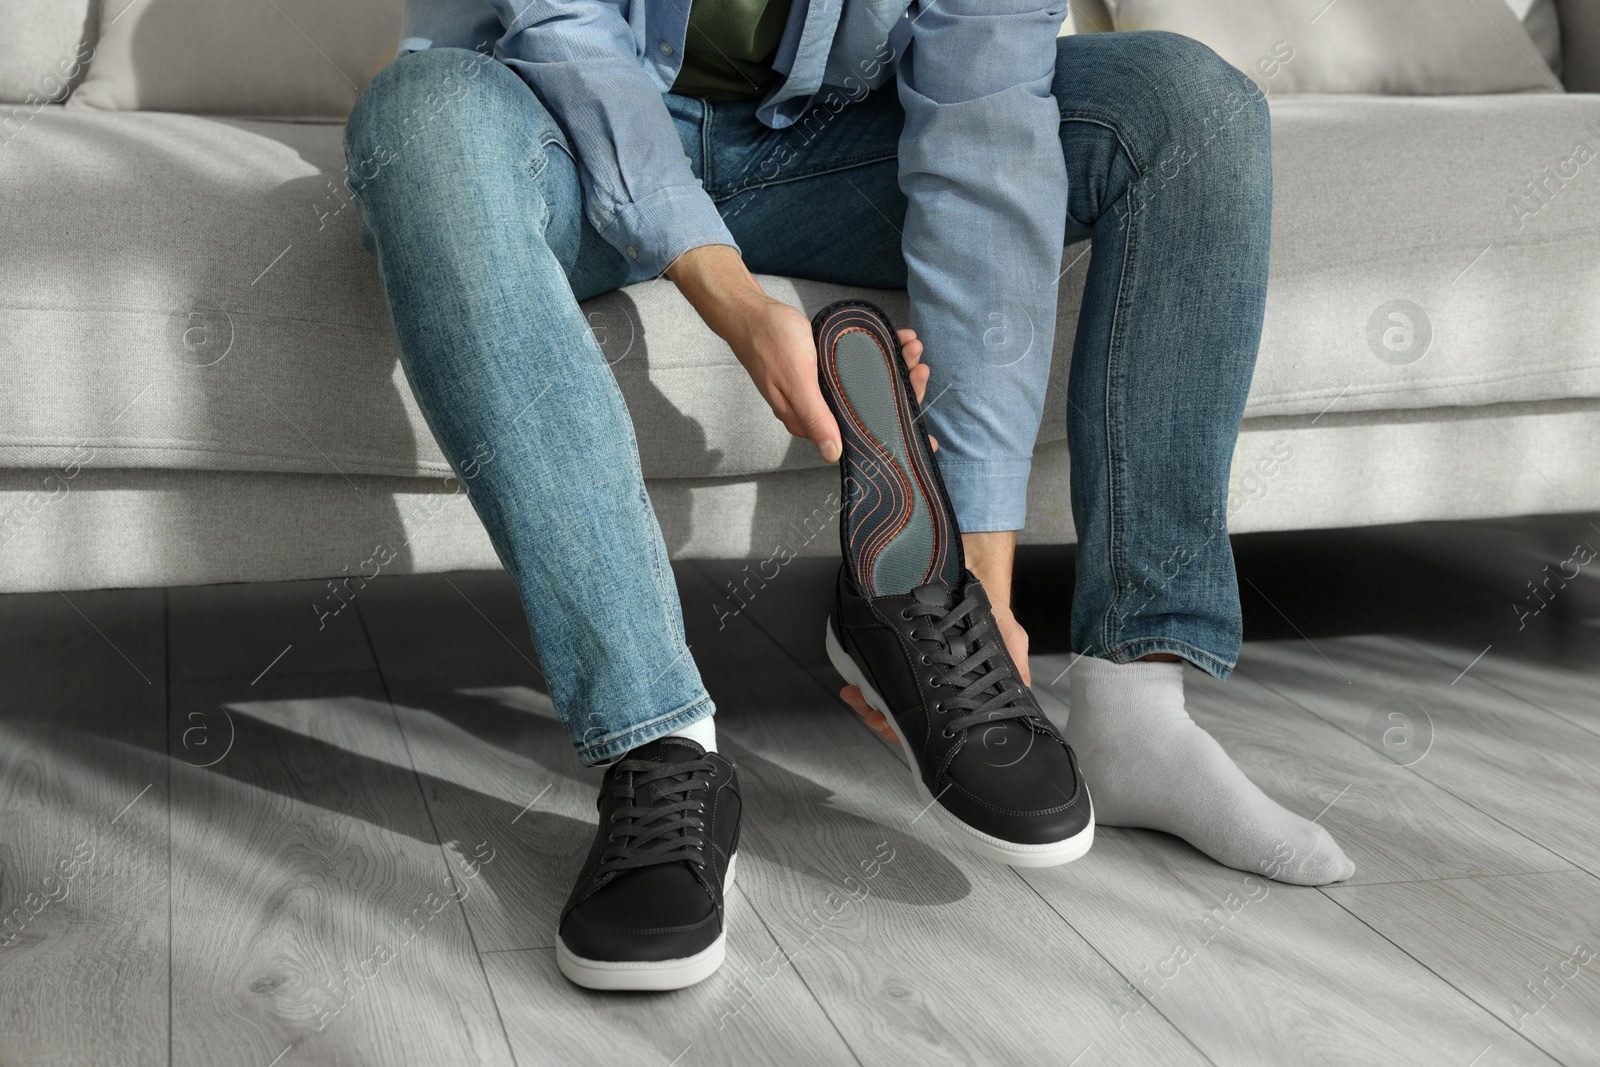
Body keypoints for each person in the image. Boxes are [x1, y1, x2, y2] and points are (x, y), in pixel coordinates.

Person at [342, 0, 1354, 992]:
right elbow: (567, 34)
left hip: (825, 152)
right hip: (551, 127)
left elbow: (984, 122)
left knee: (1186, 105)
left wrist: (974, 580)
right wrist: (739, 308)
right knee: (418, 118)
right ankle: (660, 751)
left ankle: (1132, 708)